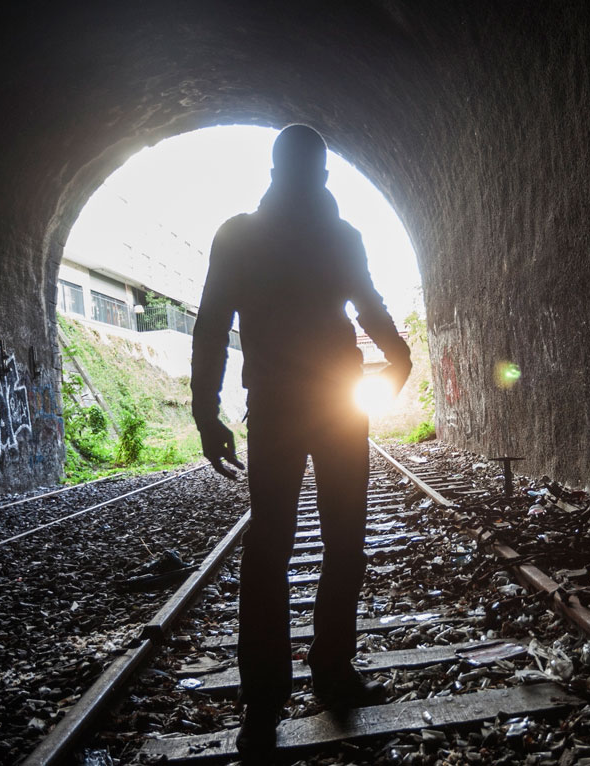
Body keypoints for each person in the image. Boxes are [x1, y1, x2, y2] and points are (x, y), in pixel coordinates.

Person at [191, 124, 412, 759]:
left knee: (271, 547)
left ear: (274, 168)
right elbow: (367, 307)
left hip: (280, 409)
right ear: (321, 174)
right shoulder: (340, 235)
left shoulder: (240, 235)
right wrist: (397, 355)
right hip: (337, 406)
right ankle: (333, 673)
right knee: (343, 540)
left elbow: (211, 326)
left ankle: (264, 697)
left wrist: (209, 412)